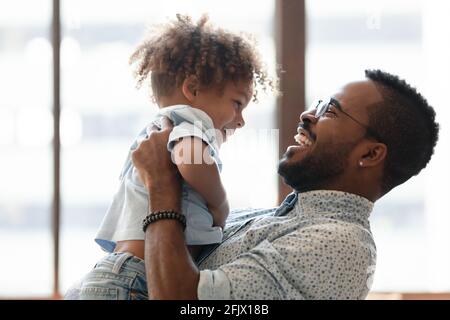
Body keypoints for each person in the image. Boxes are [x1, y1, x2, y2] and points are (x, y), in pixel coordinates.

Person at [127, 69, 439, 300]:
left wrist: (161, 185)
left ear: (370, 154)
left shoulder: (340, 244)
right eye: (317, 105)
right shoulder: (268, 219)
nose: (307, 114)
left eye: (330, 111)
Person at [69, 14, 274, 300]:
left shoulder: (160, 128)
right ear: (192, 89)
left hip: (115, 273)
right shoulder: (189, 124)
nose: (241, 121)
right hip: (135, 279)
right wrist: (220, 204)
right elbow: (190, 159)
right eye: (237, 104)